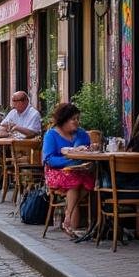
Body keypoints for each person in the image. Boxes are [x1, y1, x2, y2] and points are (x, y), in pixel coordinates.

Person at [42, 102, 93, 238]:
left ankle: (68, 215)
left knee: (90, 181)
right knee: (75, 183)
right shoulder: (51, 135)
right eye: (74, 119)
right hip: (56, 171)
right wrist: (70, 161)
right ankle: (70, 222)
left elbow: (86, 147)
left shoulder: (80, 133)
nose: (77, 122)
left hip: (78, 171)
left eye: (78, 119)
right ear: (64, 120)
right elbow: (49, 159)